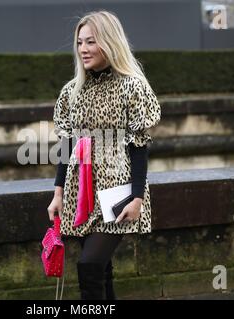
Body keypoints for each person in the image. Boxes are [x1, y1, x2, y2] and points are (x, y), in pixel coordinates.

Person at [47, 10, 161, 300]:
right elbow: (67, 145)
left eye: (91, 42)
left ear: (109, 42)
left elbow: (139, 146)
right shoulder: (72, 91)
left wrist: (137, 198)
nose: (83, 49)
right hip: (81, 190)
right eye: (80, 42)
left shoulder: (132, 87)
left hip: (118, 192)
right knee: (102, 270)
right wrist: (58, 193)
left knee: (89, 265)